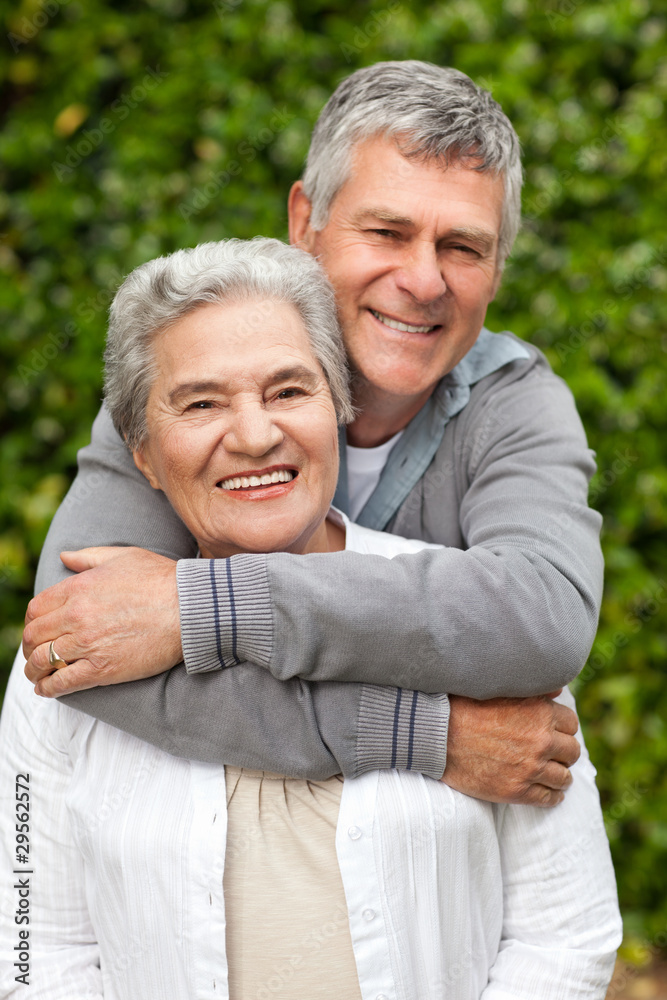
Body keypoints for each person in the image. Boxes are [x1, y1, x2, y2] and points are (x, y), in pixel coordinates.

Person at [0, 239, 621, 999]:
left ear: (339, 410)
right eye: (200, 403)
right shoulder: (79, 646)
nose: (256, 434)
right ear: (143, 456)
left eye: (290, 391)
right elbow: (31, 942)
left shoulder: (475, 630)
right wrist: (429, 736)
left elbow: (563, 938)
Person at [22, 61, 602, 804]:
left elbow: (541, 619)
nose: (423, 281)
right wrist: (424, 735)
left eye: (462, 246)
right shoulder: (191, 372)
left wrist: (197, 609)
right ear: (306, 224)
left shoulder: (514, 404)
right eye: (386, 231)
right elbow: (74, 640)